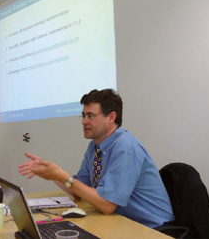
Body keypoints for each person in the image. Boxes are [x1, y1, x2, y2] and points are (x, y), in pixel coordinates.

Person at [18, 89, 174, 228]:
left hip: (154, 229)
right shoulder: (95, 147)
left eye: (90, 116)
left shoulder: (126, 147)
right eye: (83, 115)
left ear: (111, 117)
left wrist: (63, 176)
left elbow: (107, 205)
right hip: (122, 222)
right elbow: (80, 190)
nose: (84, 121)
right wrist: (50, 174)